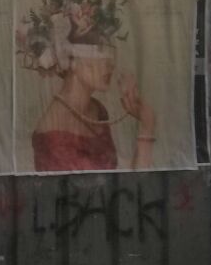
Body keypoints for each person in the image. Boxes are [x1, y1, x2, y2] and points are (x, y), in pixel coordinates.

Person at [30, 41, 157, 172]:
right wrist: (148, 126)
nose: (111, 65)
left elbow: (125, 181)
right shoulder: (54, 135)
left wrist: (147, 124)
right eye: (100, 52)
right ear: (73, 61)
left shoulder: (97, 109)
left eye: (110, 54)